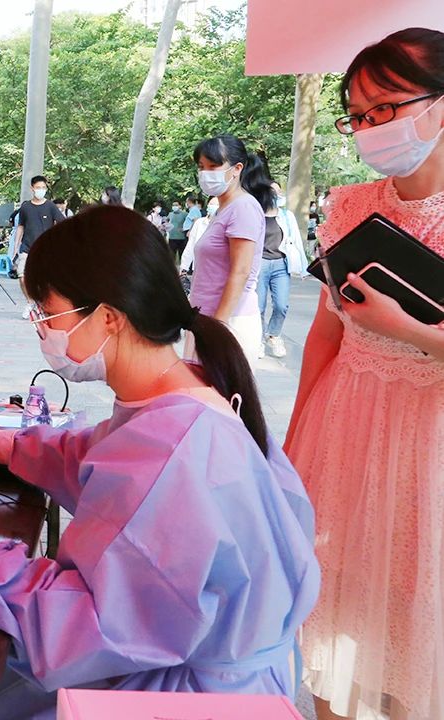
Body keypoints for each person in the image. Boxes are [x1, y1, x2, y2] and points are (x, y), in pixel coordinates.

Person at [0, 206, 319, 719]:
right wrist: (1, 444)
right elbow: (102, 458)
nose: (41, 328)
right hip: (203, 661)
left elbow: (87, 625)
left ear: (108, 317)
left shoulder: (172, 452)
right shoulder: (187, 392)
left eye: (48, 313)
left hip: (176, 695)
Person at [284, 28, 444, 720]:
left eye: (387, 107)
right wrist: (293, 440)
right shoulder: (350, 205)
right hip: (344, 421)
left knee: (414, 613)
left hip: (429, 441)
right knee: (340, 602)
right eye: (358, 114)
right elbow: (326, 331)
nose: (372, 127)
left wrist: (404, 329)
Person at [189, 134, 272, 365]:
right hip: (207, 318)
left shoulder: (243, 207)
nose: (205, 173)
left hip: (229, 321)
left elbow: (241, 271)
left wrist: (218, 326)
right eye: (201, 167)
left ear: (237, 169)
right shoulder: (223, 209)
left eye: (213, 166)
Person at [257, 182, 308, 359]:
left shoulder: (286, 216)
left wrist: (303, 268)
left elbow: (296, 241)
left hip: (281, 263)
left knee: (281, 305)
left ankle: (274, 335)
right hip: (260, 263)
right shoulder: (256, 214)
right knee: (259, 306)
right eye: (273, 191)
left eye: (279, 191)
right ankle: (259, 340)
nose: (277, 194)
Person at [13, 175, 66, 318]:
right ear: (32, 188)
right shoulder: (25, 207)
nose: (41, 190)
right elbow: (21, 226)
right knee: (22, 276)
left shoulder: (50, 206)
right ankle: (30, 302)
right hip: (27, 247)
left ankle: (44, 304)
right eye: (38, 187)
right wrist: (16, 246)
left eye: (43, 187)